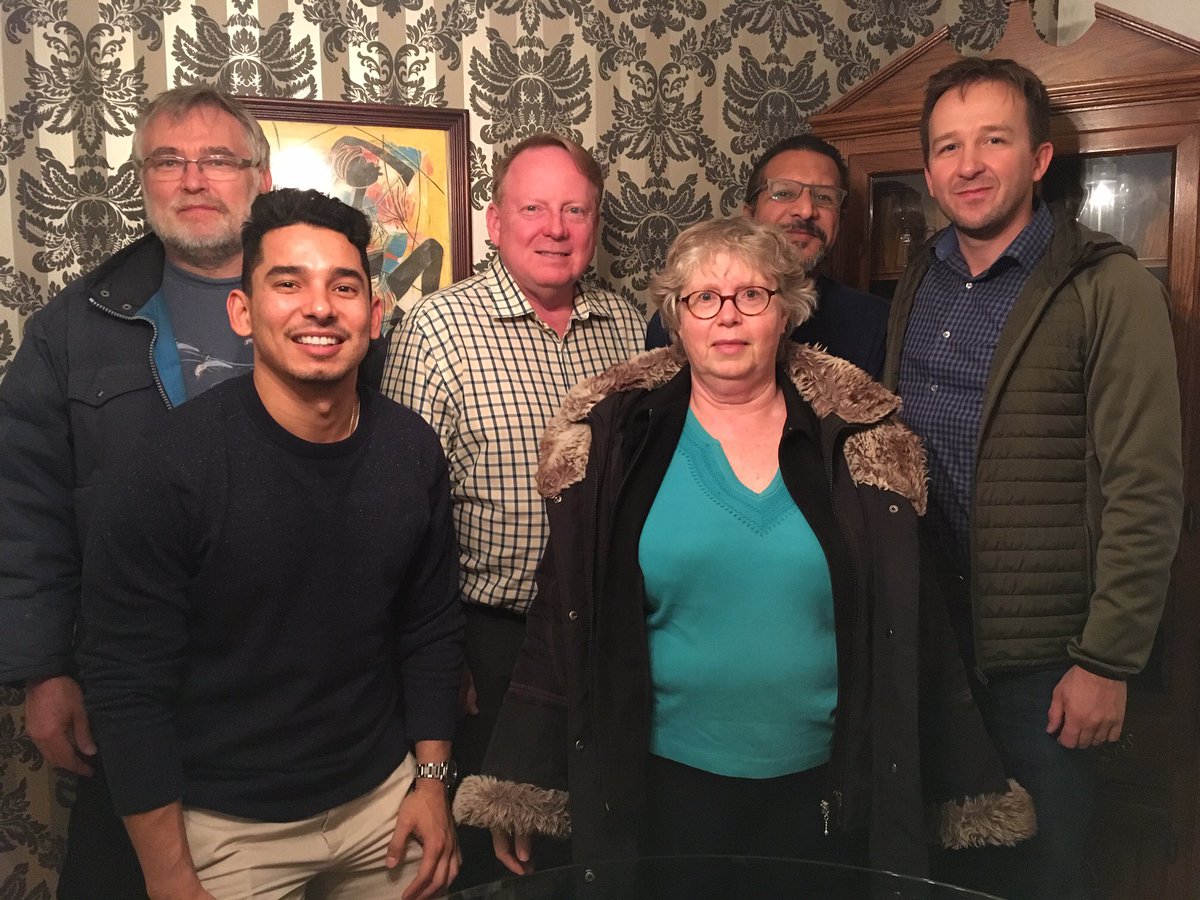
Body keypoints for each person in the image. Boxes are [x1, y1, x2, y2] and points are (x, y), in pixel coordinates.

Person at [454, 217, 1035, 890]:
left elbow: (916, 627)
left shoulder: (856, 444)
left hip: (824, 787)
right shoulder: (621, 442)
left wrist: (964, 780)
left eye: (752, 295)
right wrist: (524, 772)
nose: (728, 316)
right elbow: (564, 611)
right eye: (704, 298)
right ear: (677, 317)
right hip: (662, 788)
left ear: (786, 312)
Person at [77, 188, 464, 900]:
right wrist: (169, 877)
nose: (319, 306)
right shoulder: (170, 466)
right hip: (226, 823)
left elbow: (430, 627)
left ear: (373, 316)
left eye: (343, 286)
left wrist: (432, 783)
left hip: (382, 799)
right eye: (288, 283)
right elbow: (126, 682)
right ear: (244, 313)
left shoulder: (411, 449)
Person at [883, 58, 1183, 900]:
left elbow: (1147, 488)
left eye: (993, 140)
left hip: (1046, 671)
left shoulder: (1109, 287)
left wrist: (1108, 662)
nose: (968, 164)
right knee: (934, 873)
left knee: (1040, 877)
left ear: (1040, 159)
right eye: (947, 146)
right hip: (931, 646)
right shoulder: (922, 277)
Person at [0, 86, 272, 898]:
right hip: (135, 681)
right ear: (142, 180)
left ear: (257, 174)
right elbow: (26, 506)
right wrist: (44, 670)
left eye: (218, 159)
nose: (194, 179)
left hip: (295, 681)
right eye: (168, 161)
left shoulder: (322, 303)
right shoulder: (72, 328)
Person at [382, 133, 645, 886]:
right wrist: (439, 657)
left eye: (575, 209)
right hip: (487, 648)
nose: (555, 228)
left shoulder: (632, 328)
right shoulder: (437, 330)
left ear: (595, 223)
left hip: (607, 637)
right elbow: (407, 515)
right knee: (501, 866)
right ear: (495, 222)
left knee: (599, 847)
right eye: (533, 207)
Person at [645, 135, 888, 377]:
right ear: (749, 215)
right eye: (784, 193)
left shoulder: (876, 323)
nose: (805, 211)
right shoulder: (683, 315)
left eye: (824, 197)